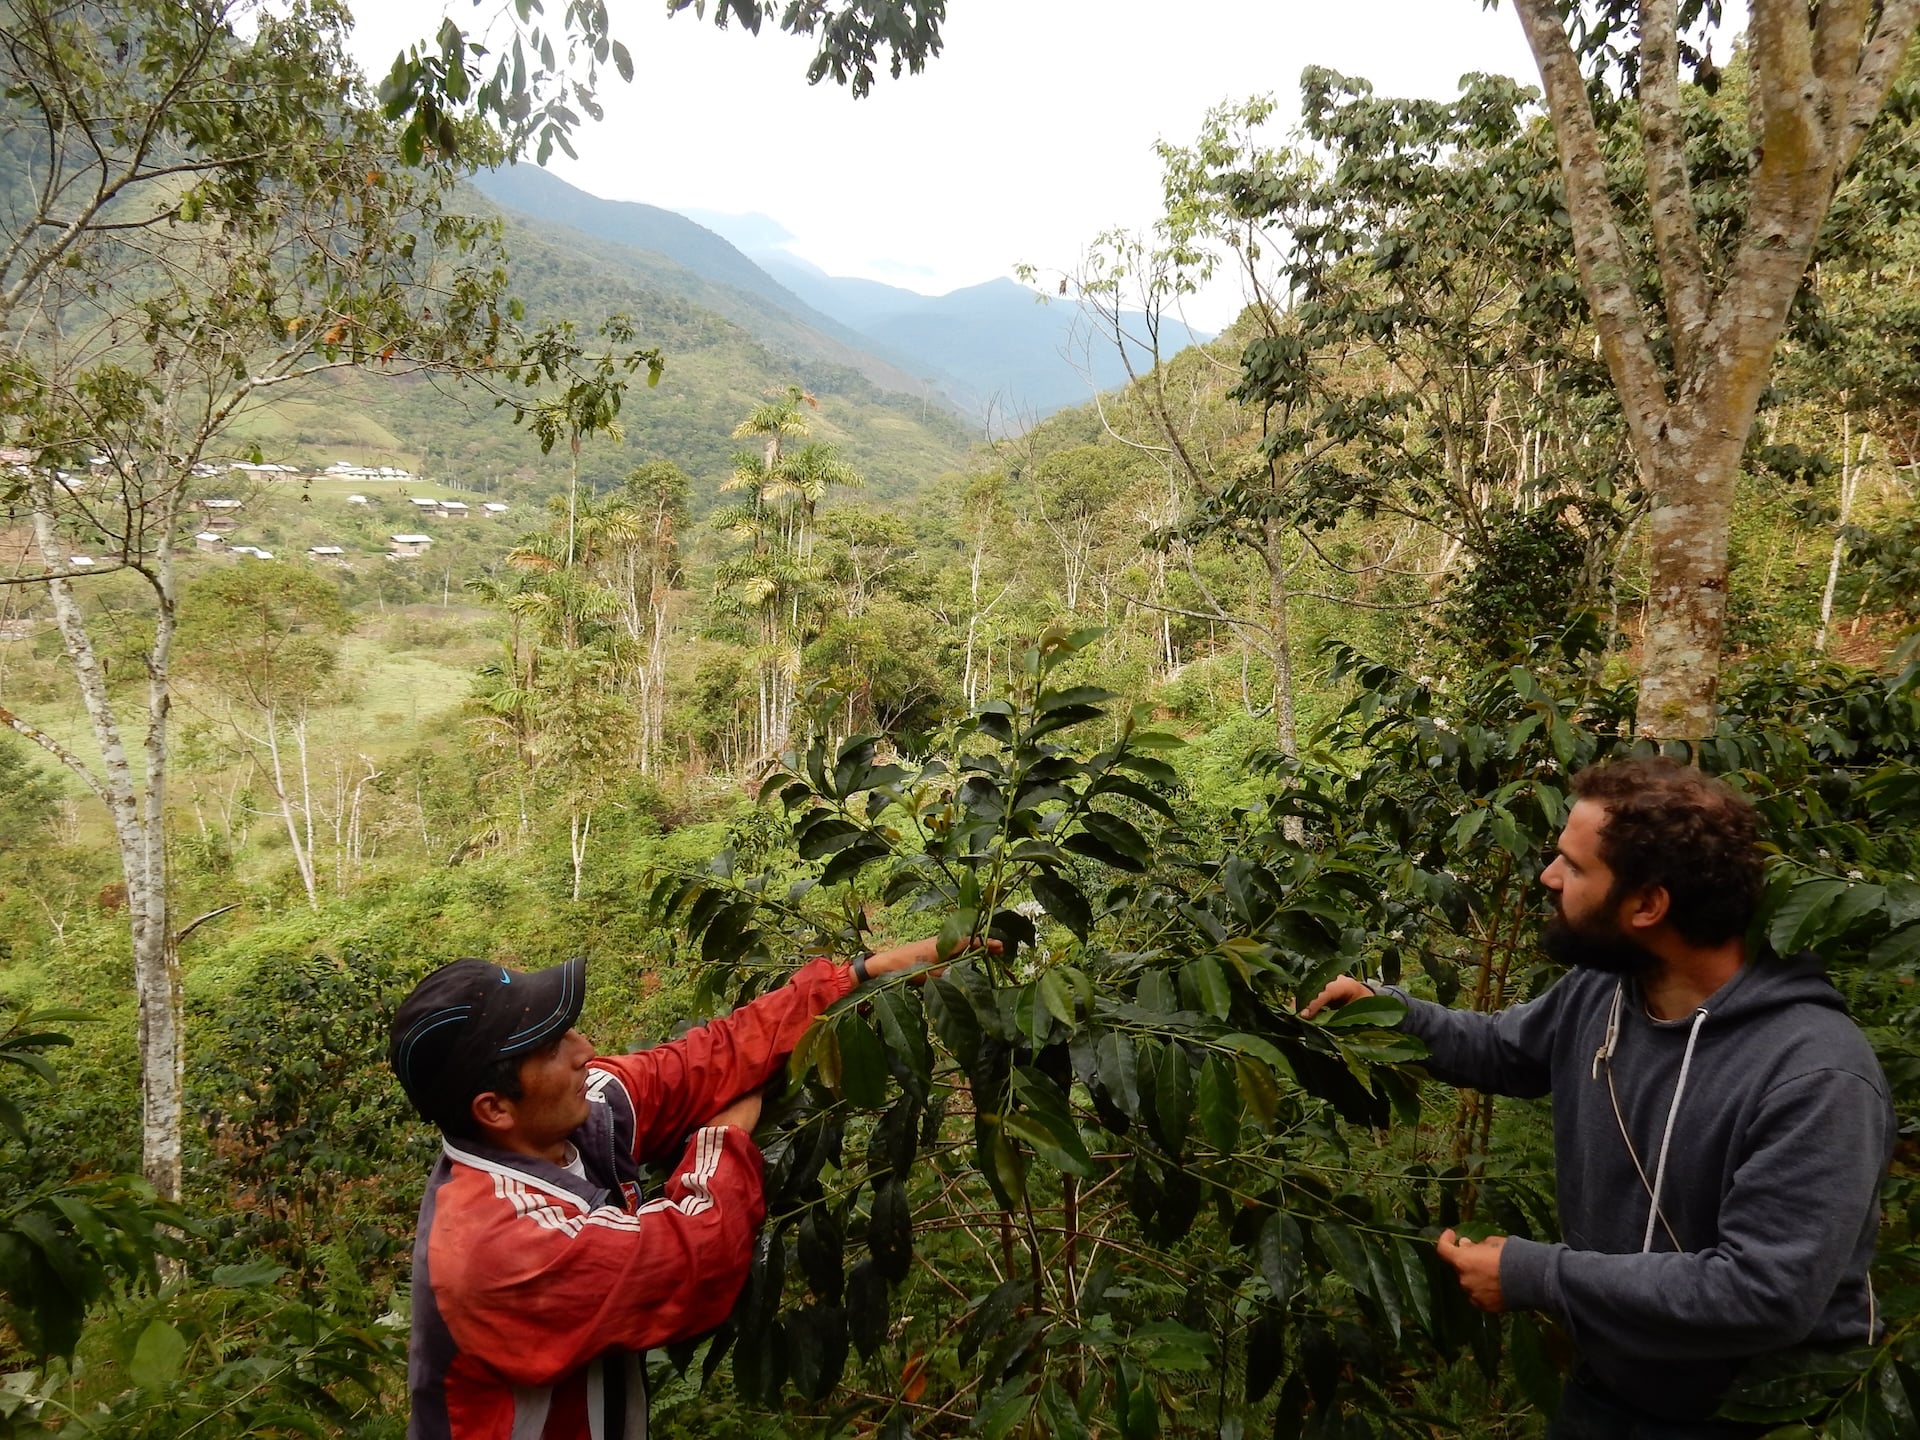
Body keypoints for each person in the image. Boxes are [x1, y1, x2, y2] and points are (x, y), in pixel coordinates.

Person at [1301, 756, 1893, 1436]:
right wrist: (1388, 1011)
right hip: (1613, 1387)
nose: (1549, 878)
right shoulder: (1609, 988)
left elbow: (1762, 1294)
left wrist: (1536, 1275)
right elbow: (1507, 1051)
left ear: (1647, 905)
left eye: (1574, 868)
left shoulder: (1814, 1074)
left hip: (1755, 1418)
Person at [387, 937, 967, 1440]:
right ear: (493, 1109)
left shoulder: (563, 1117)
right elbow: (693, 1256)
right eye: (551, 1049)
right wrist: (723, 1140)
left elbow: (700, 1062)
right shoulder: (493, 1247)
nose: (586, 1051)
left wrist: (856, 977)